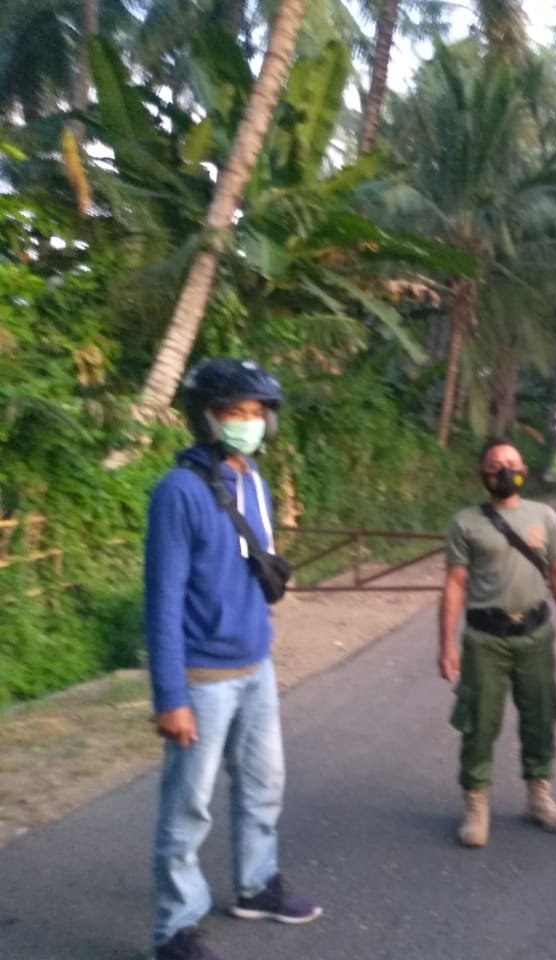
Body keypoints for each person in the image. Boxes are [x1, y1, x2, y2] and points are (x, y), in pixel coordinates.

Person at [145, 358, 321, 960]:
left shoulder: (255, 483)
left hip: (255, 666)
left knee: (264, 783)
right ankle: (176, 926)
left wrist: (261, 635)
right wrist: (169, 695)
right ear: (206, 418)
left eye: (255, 414)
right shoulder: (179, 493)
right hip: (201, 676)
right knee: (188, 805)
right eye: (233, 413)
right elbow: (162, 599)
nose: (246, 423)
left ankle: (255, 883)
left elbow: (254, 564)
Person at [438, 439, 556, 847]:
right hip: (485, 638)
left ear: (524, 469)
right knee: (479, 722)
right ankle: (476, 803)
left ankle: (540, 797)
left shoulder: (545, 516)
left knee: (540, 716)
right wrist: (446, 644)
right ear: (482, 473)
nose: (503, 471)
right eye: (495, 464)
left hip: (536, 636)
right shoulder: (465, 522)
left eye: (511, 463)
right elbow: (454, 584)